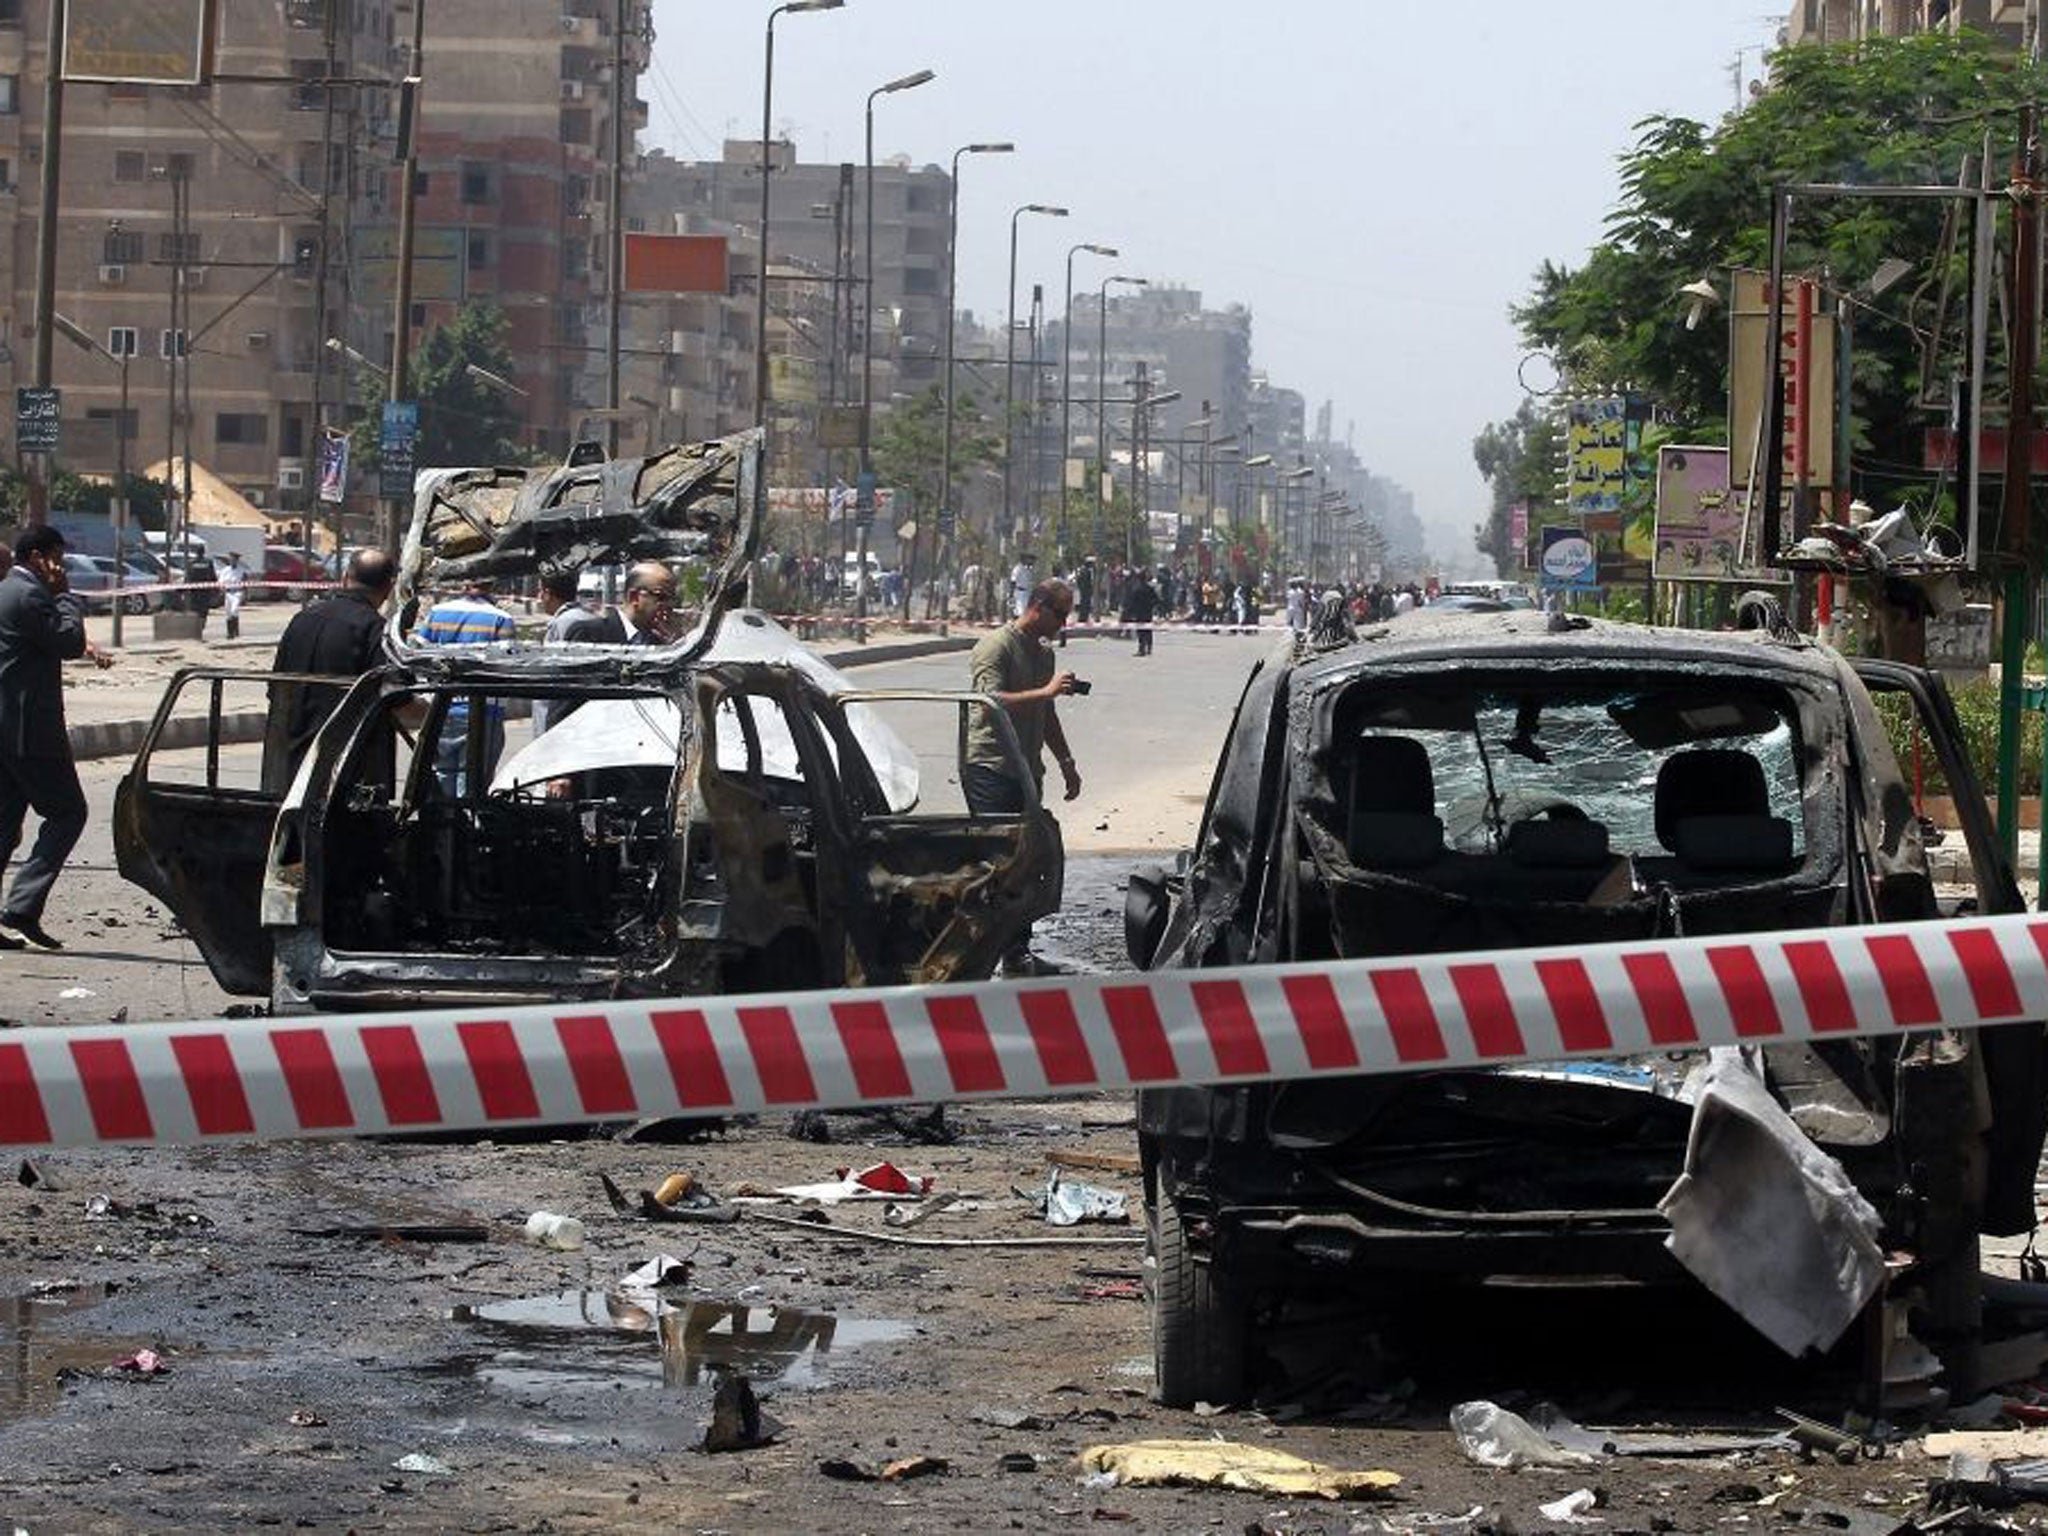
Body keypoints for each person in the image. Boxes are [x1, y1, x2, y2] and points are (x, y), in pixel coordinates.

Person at [0, 527, 112, 950]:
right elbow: (66, 640)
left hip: (7, 727)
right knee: (68, 812)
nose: (60, 568)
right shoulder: (29, 595)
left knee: (4, 823)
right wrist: (65, 594)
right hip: (30, 730)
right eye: (57, 559)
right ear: (36, 557)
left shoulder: (6, 591)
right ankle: (23, 906)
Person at [964, 577, 1082, 977]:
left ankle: (1017, 951)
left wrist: (1067, 762)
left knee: (1027, 861)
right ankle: (981, 952)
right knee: (998, 863)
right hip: (991, 769)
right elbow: (989, 703)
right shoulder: (996, 647)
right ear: (1039, 606)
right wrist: (1045, 693)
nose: (1062, 624)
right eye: (1060, 614)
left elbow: (1046, 716)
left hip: (1026, 769)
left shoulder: (1043, 654)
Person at [266, 548, 397, 792]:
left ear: (345, 578)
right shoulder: (376, 630)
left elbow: (275, 688)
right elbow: (396, 698)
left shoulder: (302, 619)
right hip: (347, 776)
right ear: (389, 588)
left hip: (290, 765)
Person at [418, 578, 517, 796]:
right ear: (492, 585)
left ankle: (442, 826)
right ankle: (465, 827)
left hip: (439, 708)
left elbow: (421, 658)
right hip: (484, 711)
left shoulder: (437, 613)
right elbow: (507, 666)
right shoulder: (501, 618)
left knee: (441, 775)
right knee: (472, 782)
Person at [565, 560, 677, 646]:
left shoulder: (659, 642)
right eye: (661, 597)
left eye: (673, 599)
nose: (669, 605)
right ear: (634, 597)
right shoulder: (588, 634)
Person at [533, 568, 588, 734]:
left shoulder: (563, 624)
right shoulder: (580, 617)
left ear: (548, 594)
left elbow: (554, 676)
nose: (539, 598)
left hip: (556, 723)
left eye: (540, 592)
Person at [1122, 566, 1157, 657]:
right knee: (1148, 630)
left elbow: (1132, 602)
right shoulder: (1149, 588)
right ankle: (1149, 648)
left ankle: (1142, 649)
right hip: (1148, 612)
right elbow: (1156, 600)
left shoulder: (1136, 589)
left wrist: (1130, 613)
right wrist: (1152, 607)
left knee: (1141, 631)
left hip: (1139, 613)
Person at [185, 552, 218, 637]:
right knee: (203, 612)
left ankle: (196, 630)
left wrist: (184, 589)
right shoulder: (208, 562)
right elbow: (213, 576)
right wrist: (215, 590)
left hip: (194, 592)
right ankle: (201, 628)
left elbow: (187, 577)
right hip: (205, 591)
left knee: (195, 610)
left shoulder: (191, 562)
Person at [220, 551, 248, 640]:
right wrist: (222, 589)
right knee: (228, 613)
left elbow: (245, 583)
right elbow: (221, 581)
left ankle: (234, 631)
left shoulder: (241, 570)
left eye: (234, 559)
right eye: (231, 559)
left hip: (237, 592)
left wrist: (244, 594)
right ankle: (231, 632)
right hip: (228, 592)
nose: (233, 561)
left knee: (234, 610)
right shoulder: (225, 570)